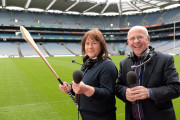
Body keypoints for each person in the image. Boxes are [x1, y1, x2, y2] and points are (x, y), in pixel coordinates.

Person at [116, 26, 180, 120]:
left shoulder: (165, 60)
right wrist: (125, 92)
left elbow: (176, 88)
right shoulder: (124, 63)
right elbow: (118, 87)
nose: (136, 41)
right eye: (132, 38)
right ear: (128, 42)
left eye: (140, 37)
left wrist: (149, 92)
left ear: (148, 39)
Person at [59, 29, 118, 120]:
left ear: (101, 45)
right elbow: (82, 86)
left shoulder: (107, 65)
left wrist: (86, 89)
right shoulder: (87, 64)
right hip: (86, 116)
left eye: (94, 43)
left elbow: (107, 94)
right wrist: (70, 88)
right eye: (87, 43)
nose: (90, 47)